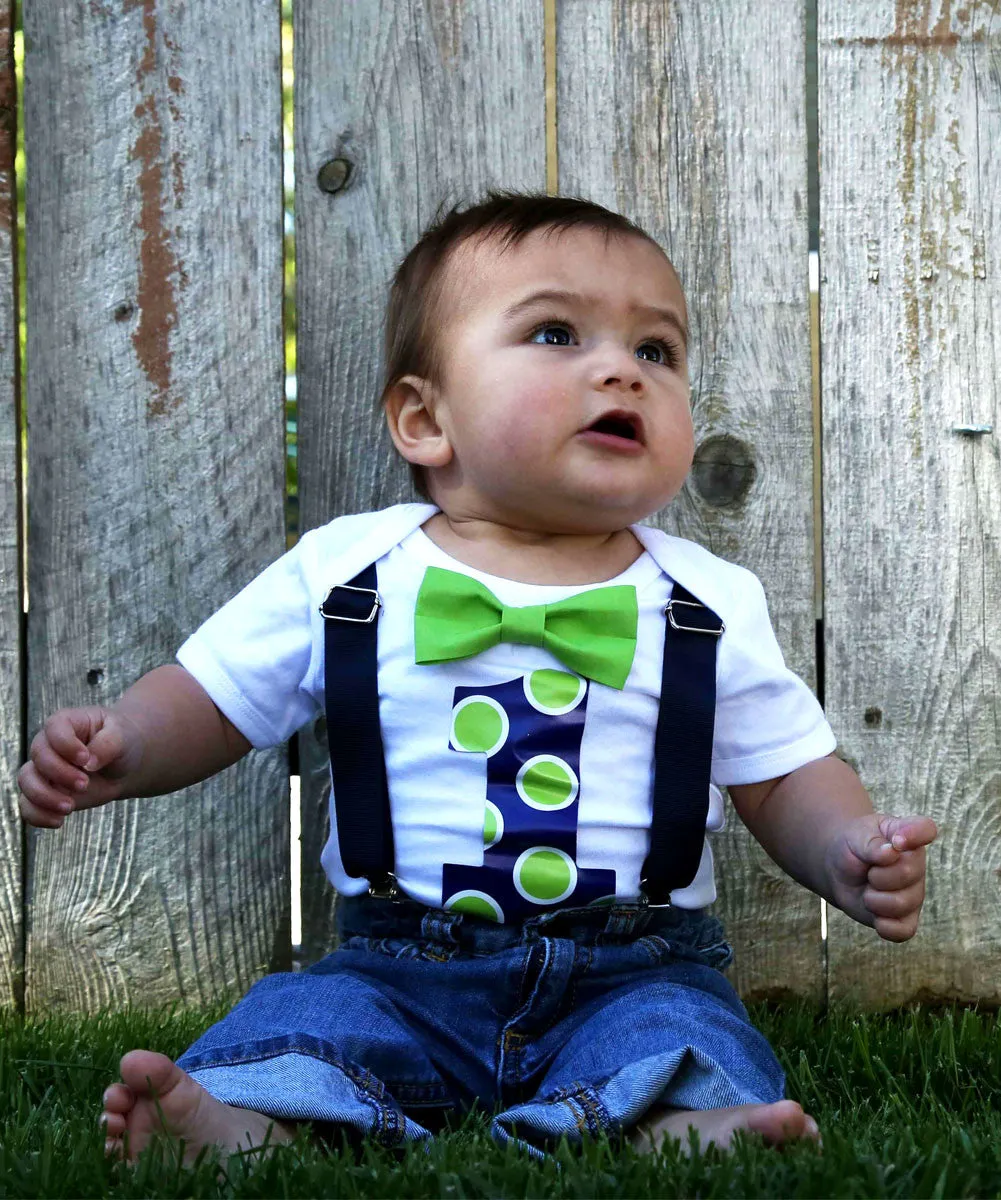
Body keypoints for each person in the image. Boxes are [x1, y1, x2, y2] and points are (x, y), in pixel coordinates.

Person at [18, 192, 937, 1165]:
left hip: (634, 967)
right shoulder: (349, 572)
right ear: (424, 419)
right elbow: (212, 696)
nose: (620, 367)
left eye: (656, 352)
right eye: (554, 333)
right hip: (397, 965)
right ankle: (247, 1118)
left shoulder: (704, 600)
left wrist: (843, 846)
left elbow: (781, 773)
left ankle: (676, 1122)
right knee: (307, 1014)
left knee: (683, 1033)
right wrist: (125, 742)